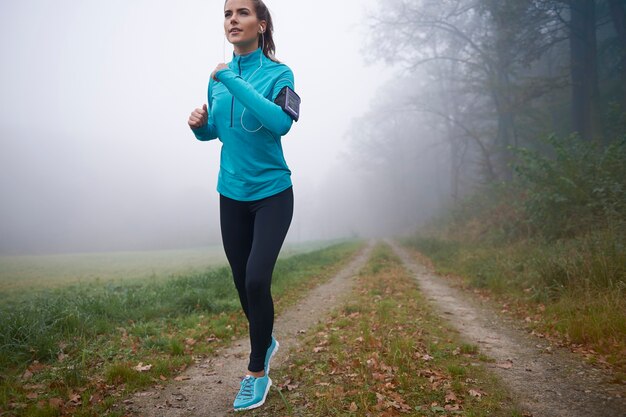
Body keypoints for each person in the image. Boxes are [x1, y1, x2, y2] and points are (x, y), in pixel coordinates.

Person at [187, 0, 299, 411]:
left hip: (272, 194)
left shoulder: (278, 73)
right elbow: (218, 132)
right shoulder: (216, 79)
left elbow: (281, 122)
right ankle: (265, 338)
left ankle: (256, 371)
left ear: (261, 24)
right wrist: (201, 127)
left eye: (242, 13)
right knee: (241, 284)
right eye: (227, 14)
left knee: (256, 280)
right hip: (230, 195)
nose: (232, 20)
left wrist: (230, 80)